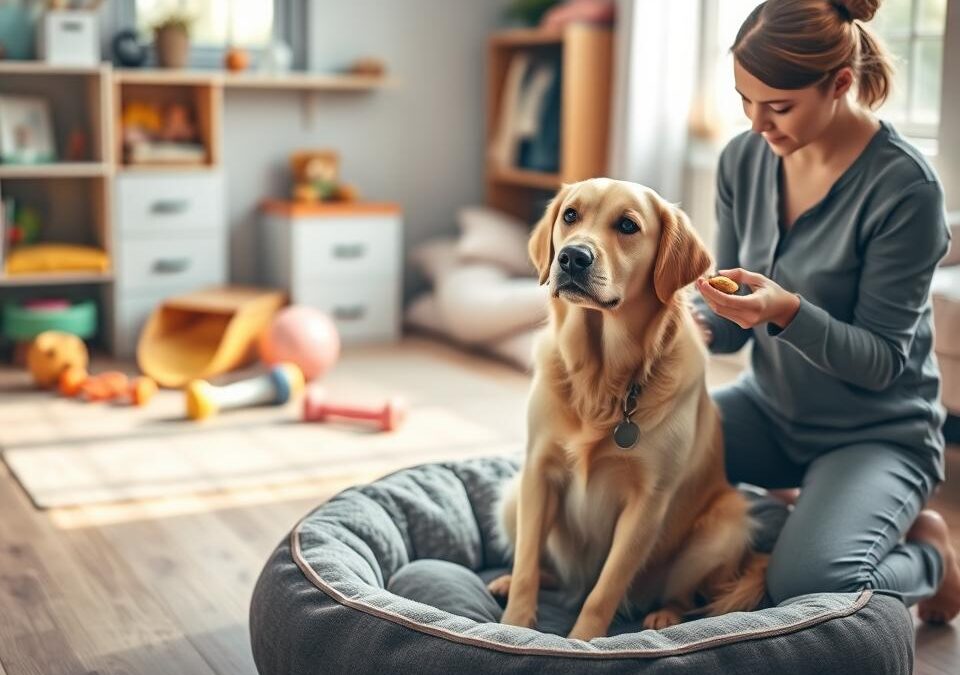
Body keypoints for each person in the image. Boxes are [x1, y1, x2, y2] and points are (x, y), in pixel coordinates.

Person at [693, 0, 960, 623]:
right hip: (769, 410)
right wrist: (683, 322)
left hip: (876, 434)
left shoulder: (905, 190)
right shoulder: (742, 160)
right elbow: (731, 328)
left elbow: (882, 362)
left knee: (810, 583)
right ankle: (807, 511)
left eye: (779, 106)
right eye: (744, 100)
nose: (758, 123)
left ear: (840, 83)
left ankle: (930, 557)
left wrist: (787, 311)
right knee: (631, 465)